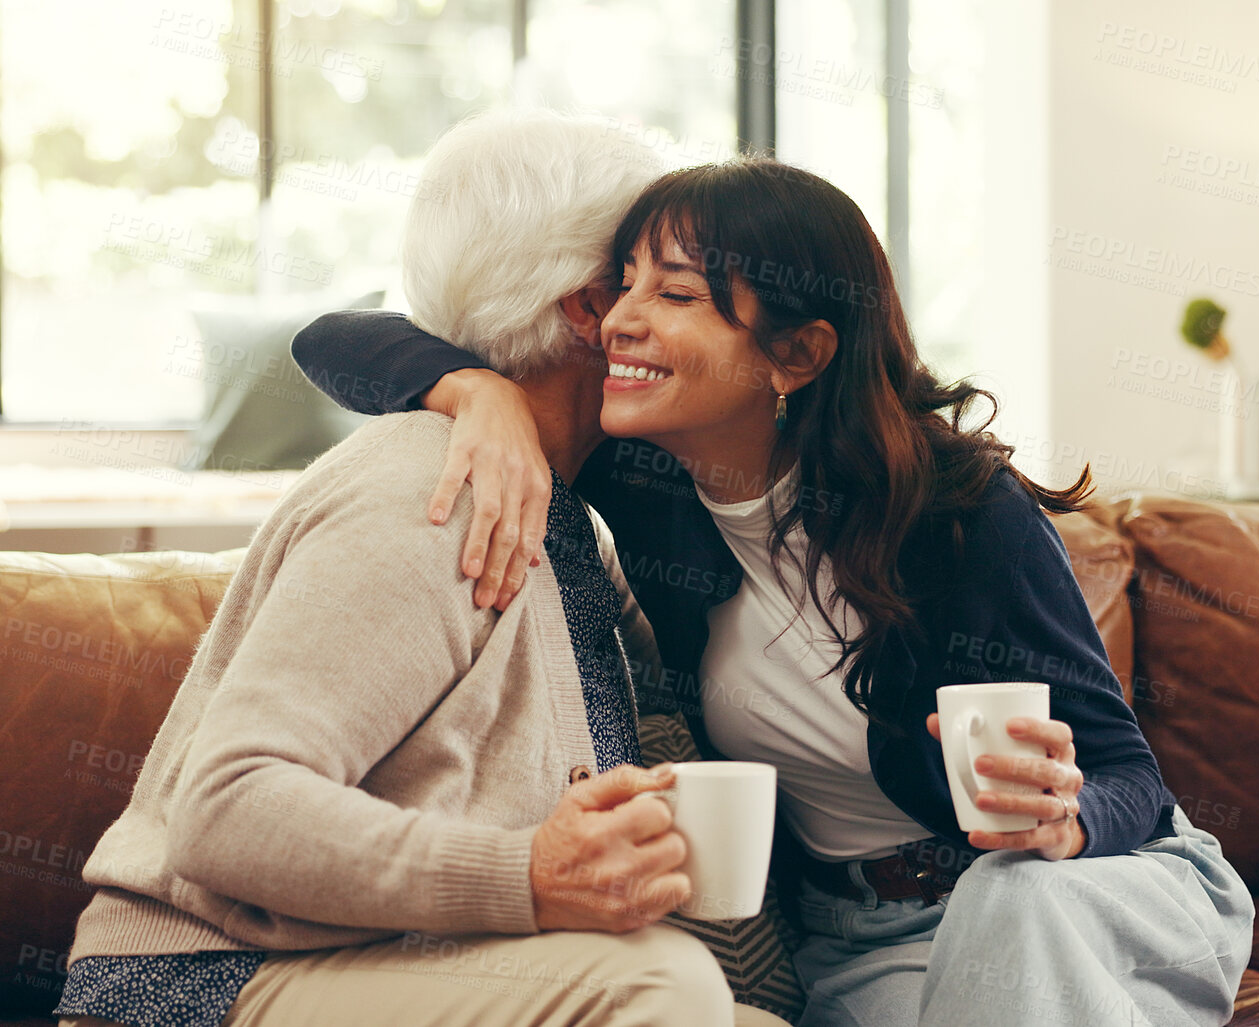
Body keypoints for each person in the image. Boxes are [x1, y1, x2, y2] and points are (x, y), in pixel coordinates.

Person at [293, 157, 1256, 1027]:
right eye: (624, 283)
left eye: (675, 293)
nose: (620, 319)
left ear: (795, 355)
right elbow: (331, 338)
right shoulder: (644, 482)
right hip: (867, 940)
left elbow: (1131, 777)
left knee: (1015, 897)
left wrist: (1067, 815)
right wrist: (477, 391)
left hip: (1096, 896)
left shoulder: (956, 510)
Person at [54, 111, 787, 1027]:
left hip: (402, 964)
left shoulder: (570, 515)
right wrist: (525, 874)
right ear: (590, 309)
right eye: (650, 281)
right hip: (205, 983)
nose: (674, 308)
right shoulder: (428, 494)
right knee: (656, 987)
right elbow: (227, 807)